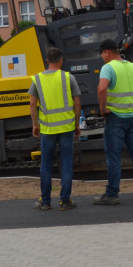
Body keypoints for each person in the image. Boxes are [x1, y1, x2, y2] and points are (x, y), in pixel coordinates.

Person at [93, 39, 133, 205]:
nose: (102, 57)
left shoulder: (108, 67)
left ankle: (112, 193)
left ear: (107, 52)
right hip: (131, 116)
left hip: (115, 118)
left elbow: (102, 88)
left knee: (114, 157)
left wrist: (103, 109)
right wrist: (128, 95)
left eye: (102, 54)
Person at [29, 47, 82, 211]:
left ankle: (45, 202)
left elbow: (32, 103)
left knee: (45, 164)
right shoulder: (68, 77)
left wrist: (35, 124)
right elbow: (77, 103)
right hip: (66, 127)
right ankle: (65, 201)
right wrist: (77, 125)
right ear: (61, 60)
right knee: (66, 163)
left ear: (47, 60)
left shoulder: (37, 79)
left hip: (48, 129)